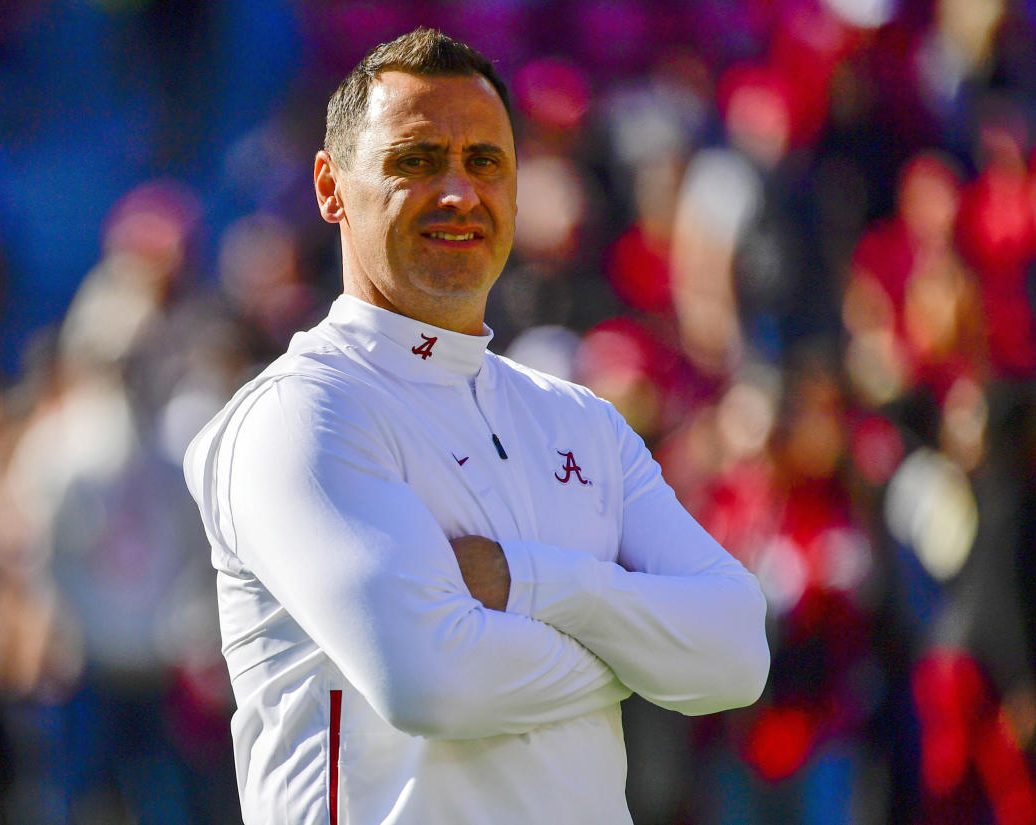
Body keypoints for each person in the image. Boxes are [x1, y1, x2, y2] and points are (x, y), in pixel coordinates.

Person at [183, 27, 769, 825]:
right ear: (330, 187)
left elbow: (737, 652)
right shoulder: (300, 413)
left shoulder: (580, 418)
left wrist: (530, 581)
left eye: (485, 162)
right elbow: (431, 681)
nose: (458, 192)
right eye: (416, 161)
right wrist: (639, 651)